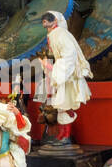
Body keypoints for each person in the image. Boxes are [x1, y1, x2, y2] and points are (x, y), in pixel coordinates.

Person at [38, 10, 92, 147]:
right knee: (61, 105)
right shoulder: (53, 35)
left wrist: (52, 68)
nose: (45, 22)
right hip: (62, 74)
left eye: (48, 19)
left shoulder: (60, 34)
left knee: (64, 104)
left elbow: (69, 56)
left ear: (55, 21)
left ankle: (66, 135)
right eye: (44, 20)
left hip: (68, 75)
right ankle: (63, 134)